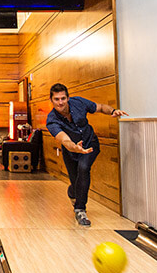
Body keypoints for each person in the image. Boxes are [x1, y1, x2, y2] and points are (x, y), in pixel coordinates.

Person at [44, 83, 126, 226]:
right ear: (51, 100)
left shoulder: (78, 103)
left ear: (68, 98)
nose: (60, 102)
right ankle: (72, 192)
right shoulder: (52, 120)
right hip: (71, 150)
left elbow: (100, 107)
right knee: (75, 182)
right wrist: (74, 147)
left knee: (83, 168)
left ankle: (80, 210)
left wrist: (113, 110)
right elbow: (64, 139)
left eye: (63, 98)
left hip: (90, 144)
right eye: (56, 99)